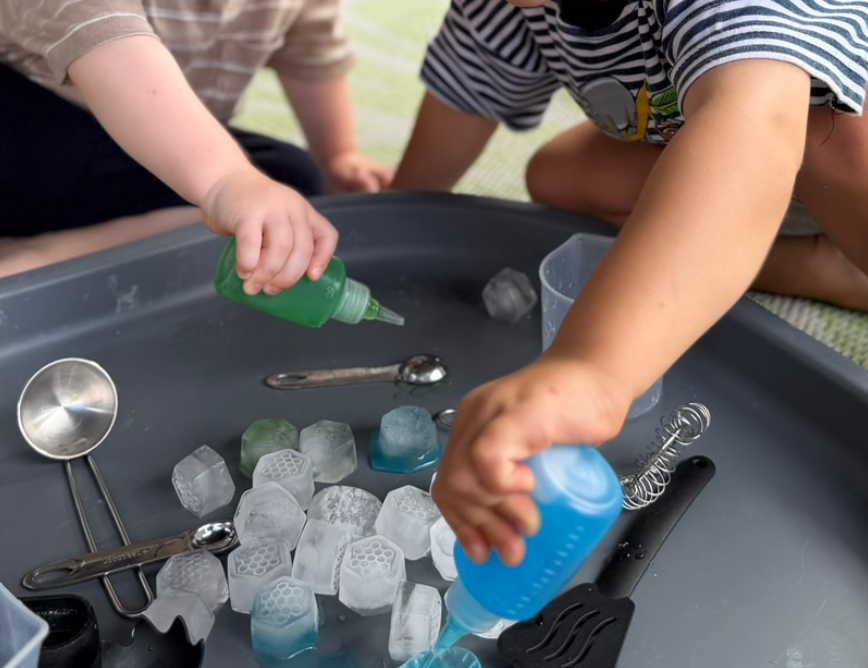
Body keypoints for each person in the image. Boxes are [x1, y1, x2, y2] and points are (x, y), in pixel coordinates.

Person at [390, 0, 868, 566]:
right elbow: (464, 94)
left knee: (821, 127)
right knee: (559, 177)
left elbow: (756, 125)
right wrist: (390, 210)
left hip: (812, 123)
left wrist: (594, 369)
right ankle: (824, 267)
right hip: (725, 147)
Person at [0, 0, 392, 290]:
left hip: (141, 158)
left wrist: (338, 153)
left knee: (289, 187)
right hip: (30, 138)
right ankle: (35, 258)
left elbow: (311, 54)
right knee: (242, 187)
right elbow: (113, 48)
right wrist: (225, 180)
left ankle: (50, 253)